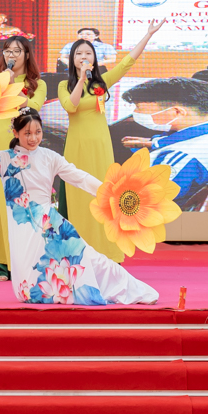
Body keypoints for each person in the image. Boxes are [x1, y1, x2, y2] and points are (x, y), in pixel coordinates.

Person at [0, 109, 158, 305]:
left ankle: (134, 291)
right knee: (27, 286)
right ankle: (50, 291)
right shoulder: (5, 159)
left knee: (88, 258)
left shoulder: (49, 157)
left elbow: (79, 177)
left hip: (49, 223)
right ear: (15, 133)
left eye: (38, 132)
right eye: (27, 133)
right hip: (22, 227)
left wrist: (110, 192)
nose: (33, 138)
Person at [58, 19, 162, 260]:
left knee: (103, 196)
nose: (84, 57)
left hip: (101, 145)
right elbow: (71, 106)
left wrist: (148, 35)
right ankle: (79, 252)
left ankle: (105, 251)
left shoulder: (102, 83)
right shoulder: (65, 84)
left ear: (95, 59)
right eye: (79, 54)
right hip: (77, 145)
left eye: (88, 53)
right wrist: (81, 79)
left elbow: (127, 63)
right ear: (72, 58)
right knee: (79, 195)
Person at [0, 32, 49, 279]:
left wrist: (13, 82)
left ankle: (20, 261)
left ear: (26, 54)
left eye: (16, 51)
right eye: (7, 51)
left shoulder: (38, 84)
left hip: (21, 145)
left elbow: (33, 108)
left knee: (18, 200)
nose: (11, 55)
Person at [122, 76, 208, 208]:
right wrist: (156, 143)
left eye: (139, 108)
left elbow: (144, 202)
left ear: (177, 112)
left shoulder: (183, 158)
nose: (135, 113)